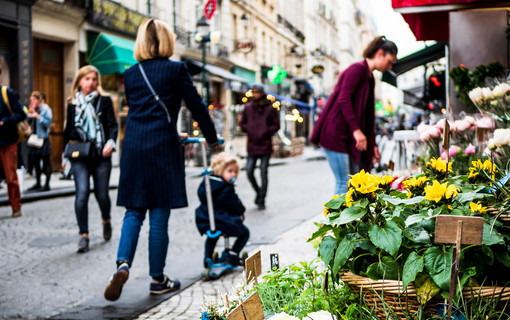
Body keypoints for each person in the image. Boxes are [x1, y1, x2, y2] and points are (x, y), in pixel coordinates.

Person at [104, 18, 218, 301]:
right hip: (163, 149)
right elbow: (197, 107)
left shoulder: (130, 74)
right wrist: (212, 139)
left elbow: (142, 111)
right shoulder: (176, 70)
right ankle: (158, 279)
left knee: (134, 211)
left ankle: (123, 264)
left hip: (133, 146)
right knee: (158, 216)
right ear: (167, 41)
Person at [310, 36, 397, 196]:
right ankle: (335, 221)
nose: (390, 66)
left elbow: (367, 116)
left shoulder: (369, 77)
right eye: (389, 61)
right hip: (335, 133)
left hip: (346, 135)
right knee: (345, 181)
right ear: (379, 53)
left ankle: (347, 220)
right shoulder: (357, 70)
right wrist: (357, 131)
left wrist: (372, 144)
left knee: (354, 183)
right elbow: (344, 99)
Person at [64, 65, 118, 253]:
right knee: (82, 193)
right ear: (79, 81)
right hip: (80, 155)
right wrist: (65, 156)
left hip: (101, 154)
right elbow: (68, 130)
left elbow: (112, 125)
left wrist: (110, 143)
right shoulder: (72, 103)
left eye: (94, 79)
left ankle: (106, 219)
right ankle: (84, 236)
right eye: (87, 79)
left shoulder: (104, 101)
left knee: (102, 194)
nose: (91, 83)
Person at [195, 153, 249, 268]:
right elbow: (234, 204)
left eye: (235, 172)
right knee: (245, 233)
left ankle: (207, 258)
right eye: (230, 171)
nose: (233, 174)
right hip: (223, 220)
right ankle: (232, 255)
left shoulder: (207, 183)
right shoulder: (226, 188)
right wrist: (241, 212)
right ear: (220, 170)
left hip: (206, 218)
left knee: (213, 235)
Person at [239, 84, 280, 210]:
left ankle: (262, 200)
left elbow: (276, 125)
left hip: (265, 145)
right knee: (249, 171)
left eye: (257, 92)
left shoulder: (271, 108)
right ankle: (259, 193)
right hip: (252, 144)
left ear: (262, 93)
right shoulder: (248, 107)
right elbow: (242, 124)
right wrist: (250, 129)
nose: (255, 94)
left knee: (263, 172)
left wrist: (265, 130)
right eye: (253, 92)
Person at [0, 66, 26, 218]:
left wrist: (5, 121)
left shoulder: (6, 93)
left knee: (11, 177)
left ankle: (16, 206)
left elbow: (21, 114)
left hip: (8, 141)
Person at [27, 91, 53, 191]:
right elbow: (28, 122)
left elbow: (47, 123)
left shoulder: (46, 109)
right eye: (31, 100)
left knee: (46, 162)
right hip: (34, 139)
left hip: (43, 139)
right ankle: (38, 183)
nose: (32, 102)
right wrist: (29, 115)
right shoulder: (32, 109)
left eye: (33, 100)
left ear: (38, 100)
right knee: (35, 161)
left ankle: (47, 184)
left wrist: (37, 116)